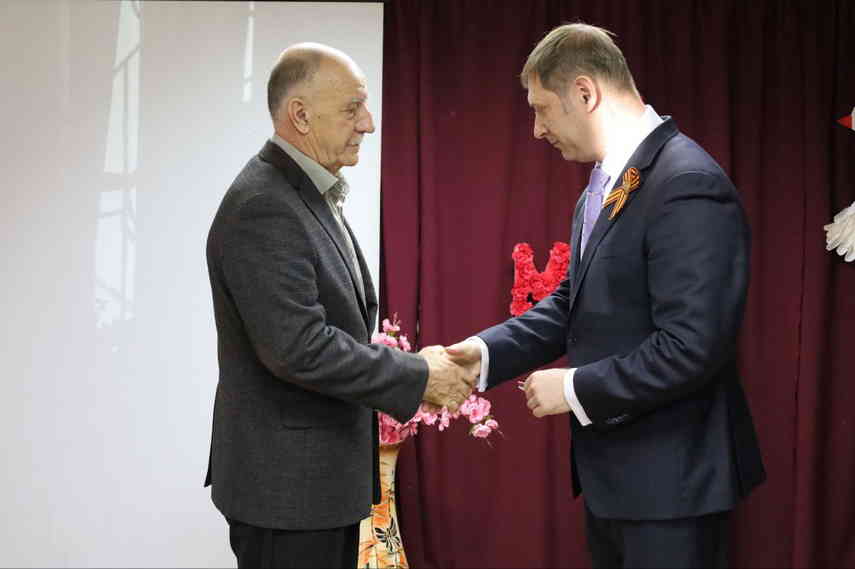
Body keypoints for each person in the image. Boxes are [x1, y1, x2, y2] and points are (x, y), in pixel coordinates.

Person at [447, 23, 765, 568]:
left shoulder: (686, 182)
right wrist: (481, 354)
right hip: (621, 483)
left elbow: (693, 346)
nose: (537, 130)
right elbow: (572, 301)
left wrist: (574, 388)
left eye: (542, 110)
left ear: (585, 93)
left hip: (672, 490)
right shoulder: (606, 184)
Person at [205, 43, 474, 569]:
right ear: (301, 115)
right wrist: (419, 375)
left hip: (313, 489)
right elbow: (299, 348)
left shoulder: (302, 191)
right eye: (352, 109)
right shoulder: (265, 205)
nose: (368, 123)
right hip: (288, 496)